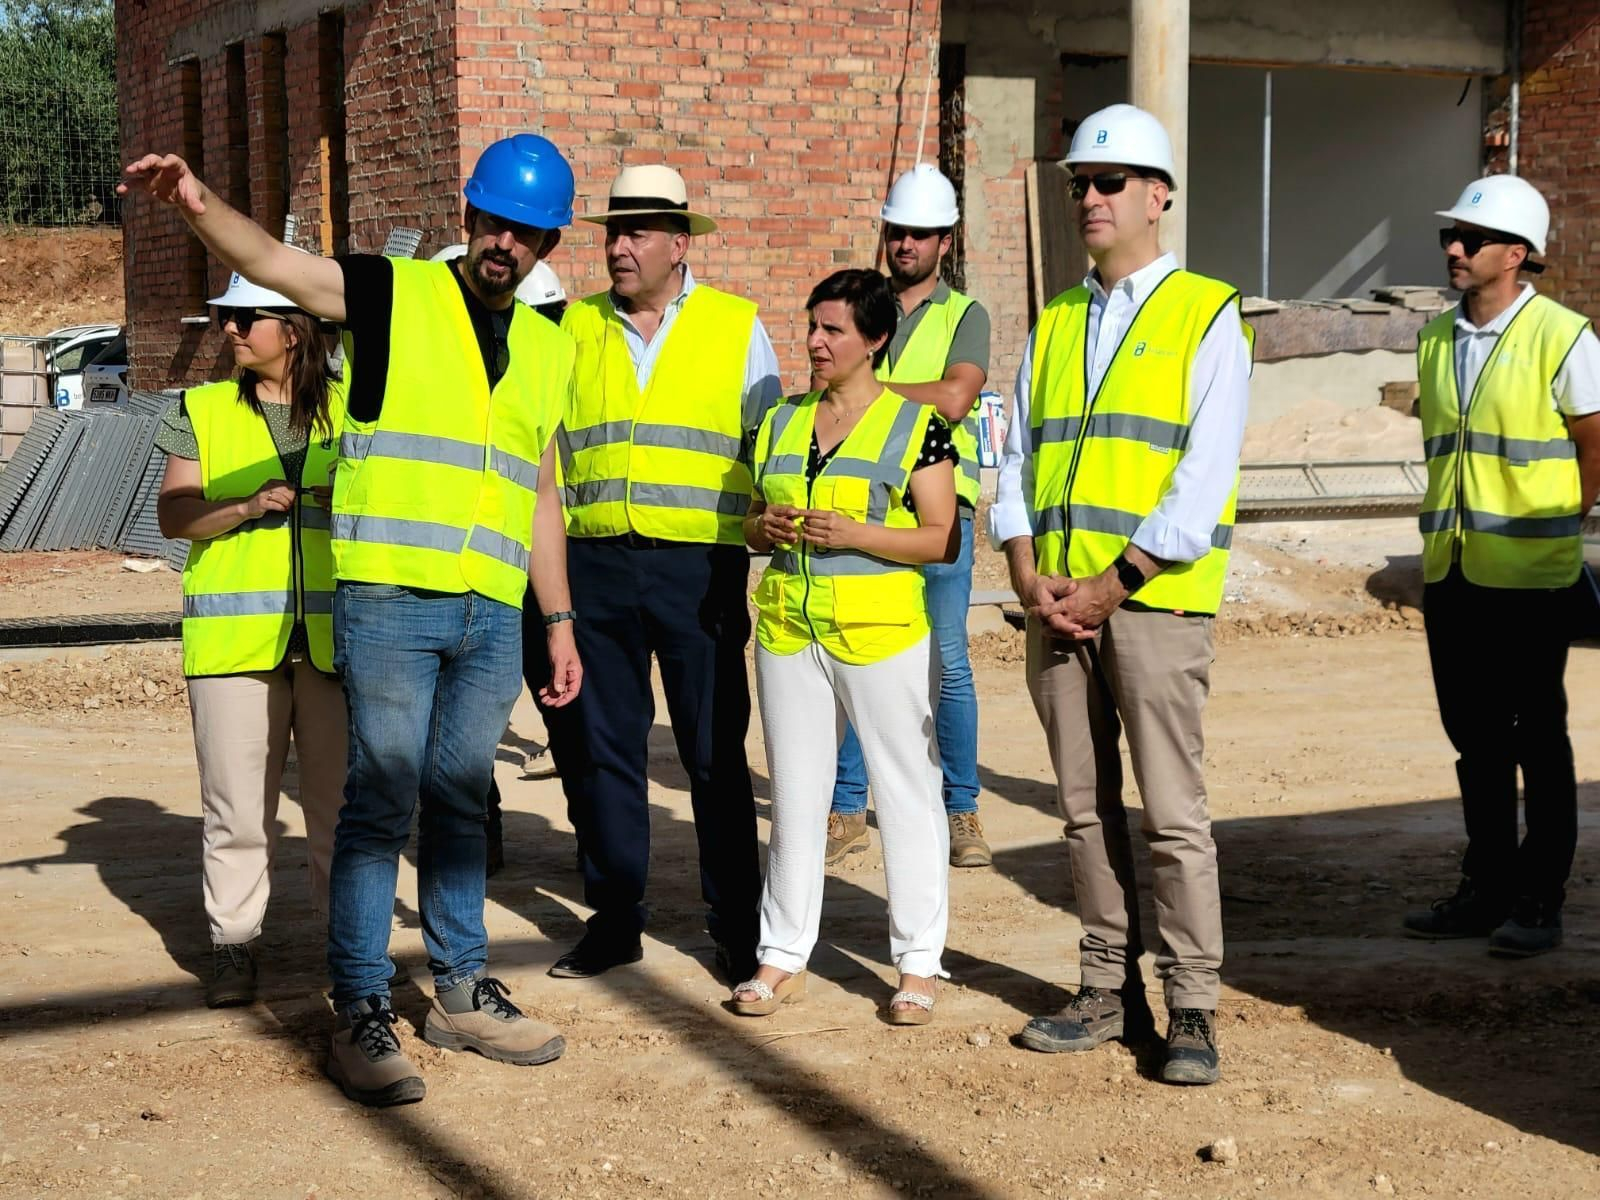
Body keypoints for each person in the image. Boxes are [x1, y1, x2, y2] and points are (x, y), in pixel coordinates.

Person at [122, 132, 583, 1109]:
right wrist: (196, 205)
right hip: (387, 602)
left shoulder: (551, 345)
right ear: (468, 217)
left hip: (490, 612)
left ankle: (460, 989)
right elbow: (275, 265)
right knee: (377, 804)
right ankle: (363, 1008)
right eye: (494, 222)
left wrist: (559, 619)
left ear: (549, 242)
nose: (506, 243)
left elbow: (540, 489)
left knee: (462, 804)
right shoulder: (393, 294)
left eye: (527, 233)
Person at [989, 104, 1251, 1085]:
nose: (1088, 198)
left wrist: (1113, 583)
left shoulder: (1206, 313)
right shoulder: (1056, 319)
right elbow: (1007, 453)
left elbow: (1200, 477)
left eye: (1107, 182)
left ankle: (1190, 1007)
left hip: (1150, 604)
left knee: (1172, 814)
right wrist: (1022, 565)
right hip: (1055, 603)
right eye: (1078, 185)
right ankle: (1104, 989)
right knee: (1084, 811)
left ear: (1159, 196)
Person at [545, 164, 781, 984]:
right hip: (596, 563)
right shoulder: (571, 330)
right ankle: (615, 920)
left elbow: (770, 446)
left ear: (680, 243)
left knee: (714, 754)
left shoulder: (736, 325)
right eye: (613, 232)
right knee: (603, 751)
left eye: (637, 232)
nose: (618, 247)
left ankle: (738, 929)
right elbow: (548, 456)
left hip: (701, 573)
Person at [735, 268, 957, 1023]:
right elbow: (747, 520)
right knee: (796, 797)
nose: (816, 342)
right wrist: (762, 529)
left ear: (875, 339)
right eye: (812, 326)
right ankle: (781, 954)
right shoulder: (780, 420)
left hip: (882, 636)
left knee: (906, 794)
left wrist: (859, 533)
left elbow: (941, 537)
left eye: (833, 329)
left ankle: (919, 964)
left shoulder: (915, 425)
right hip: (791, 631)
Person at [1402, 175, 1600, 957]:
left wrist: (1561, 525)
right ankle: (1485, 888)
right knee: (1475, 739)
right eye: (1451, 237)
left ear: (1516, 254)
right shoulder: (1432, 339)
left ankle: (1539, 899)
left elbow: (1596, 447)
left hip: (1529, 580)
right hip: (1453, 575)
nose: (1455, 248)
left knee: (1538, 742)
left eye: (1472, 239)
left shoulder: (1562, 336)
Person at [156, 267, 347, 1010]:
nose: (229, 331)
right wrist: (244, 506)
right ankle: (234, 945)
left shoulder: (356, 407)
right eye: (227, 319)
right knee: (237, 809)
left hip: (337, 643)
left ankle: (351, 947)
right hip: (236, 646)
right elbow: (175, 516)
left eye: (245, 319)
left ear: (293, 330)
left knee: (340, 810)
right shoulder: (201, 408)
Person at [825, 165, 994, 870]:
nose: (905, 243)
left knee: (948, 661)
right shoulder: (862, 306)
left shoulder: (966, 316)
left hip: (939, 508)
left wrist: (871, 390)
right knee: (859, 652)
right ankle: (845, 808)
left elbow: (955, 399)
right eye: (897, 230)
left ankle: (962, 811)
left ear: (944, 242)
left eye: (920, 233)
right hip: (868, 506)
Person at [429, 243, 570, 878]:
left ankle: (591, 831)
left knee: (566, 714)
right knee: (464, 727)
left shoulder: (554, 364)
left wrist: (560, 613)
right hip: (473, 572)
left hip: (544, 568)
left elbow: (547, 491)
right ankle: (476, 832)